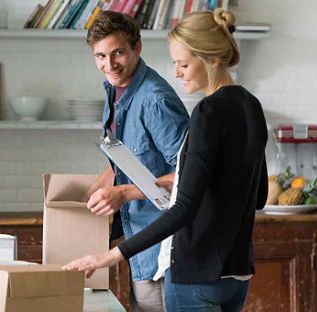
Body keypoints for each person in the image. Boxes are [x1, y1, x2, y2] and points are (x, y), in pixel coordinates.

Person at [65, 8, 269, 312]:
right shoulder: (251, 105)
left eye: (183, 63)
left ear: (210, 58)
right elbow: (260, 196)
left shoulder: (207, 113)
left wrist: (109, 256)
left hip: (194, 276)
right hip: (235, 275)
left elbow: (184, 207)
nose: (176, 73)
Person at [82, 10, 189, 312]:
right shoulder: (115, 90)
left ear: (137, 47)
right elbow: (132, 154)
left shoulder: (155, 100)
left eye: (117, 53)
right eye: (100, 56)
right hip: (138, 240)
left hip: (163, 247)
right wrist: (105, 179)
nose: (109, 64)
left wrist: (125, 192)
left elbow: (190, 175)